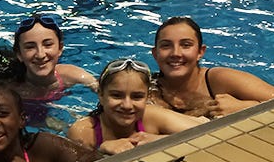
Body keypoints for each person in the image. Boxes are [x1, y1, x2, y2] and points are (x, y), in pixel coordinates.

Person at [0, 13, 96, 130]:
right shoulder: (8, 87)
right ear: (19, 54)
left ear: (60, 48)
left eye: (48, 44)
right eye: (30, 47)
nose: (40, 54)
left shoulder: (72, 75)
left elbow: (106, 91)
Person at [150, 16, 274, 118]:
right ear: (155, 54)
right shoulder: (146, 90)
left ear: (200, 52)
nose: (176, 53)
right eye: (166, 46)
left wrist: (245, 107)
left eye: (186, 45)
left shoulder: (219, 80)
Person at [68, 59, 206, 154]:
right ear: (101, 95)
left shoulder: (151, 116)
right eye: (116, 95)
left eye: (137, 96)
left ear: (147, 97)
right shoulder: (84, 132)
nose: (127, 105)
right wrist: (102, 149)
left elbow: (207, 131)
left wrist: (158, 140)